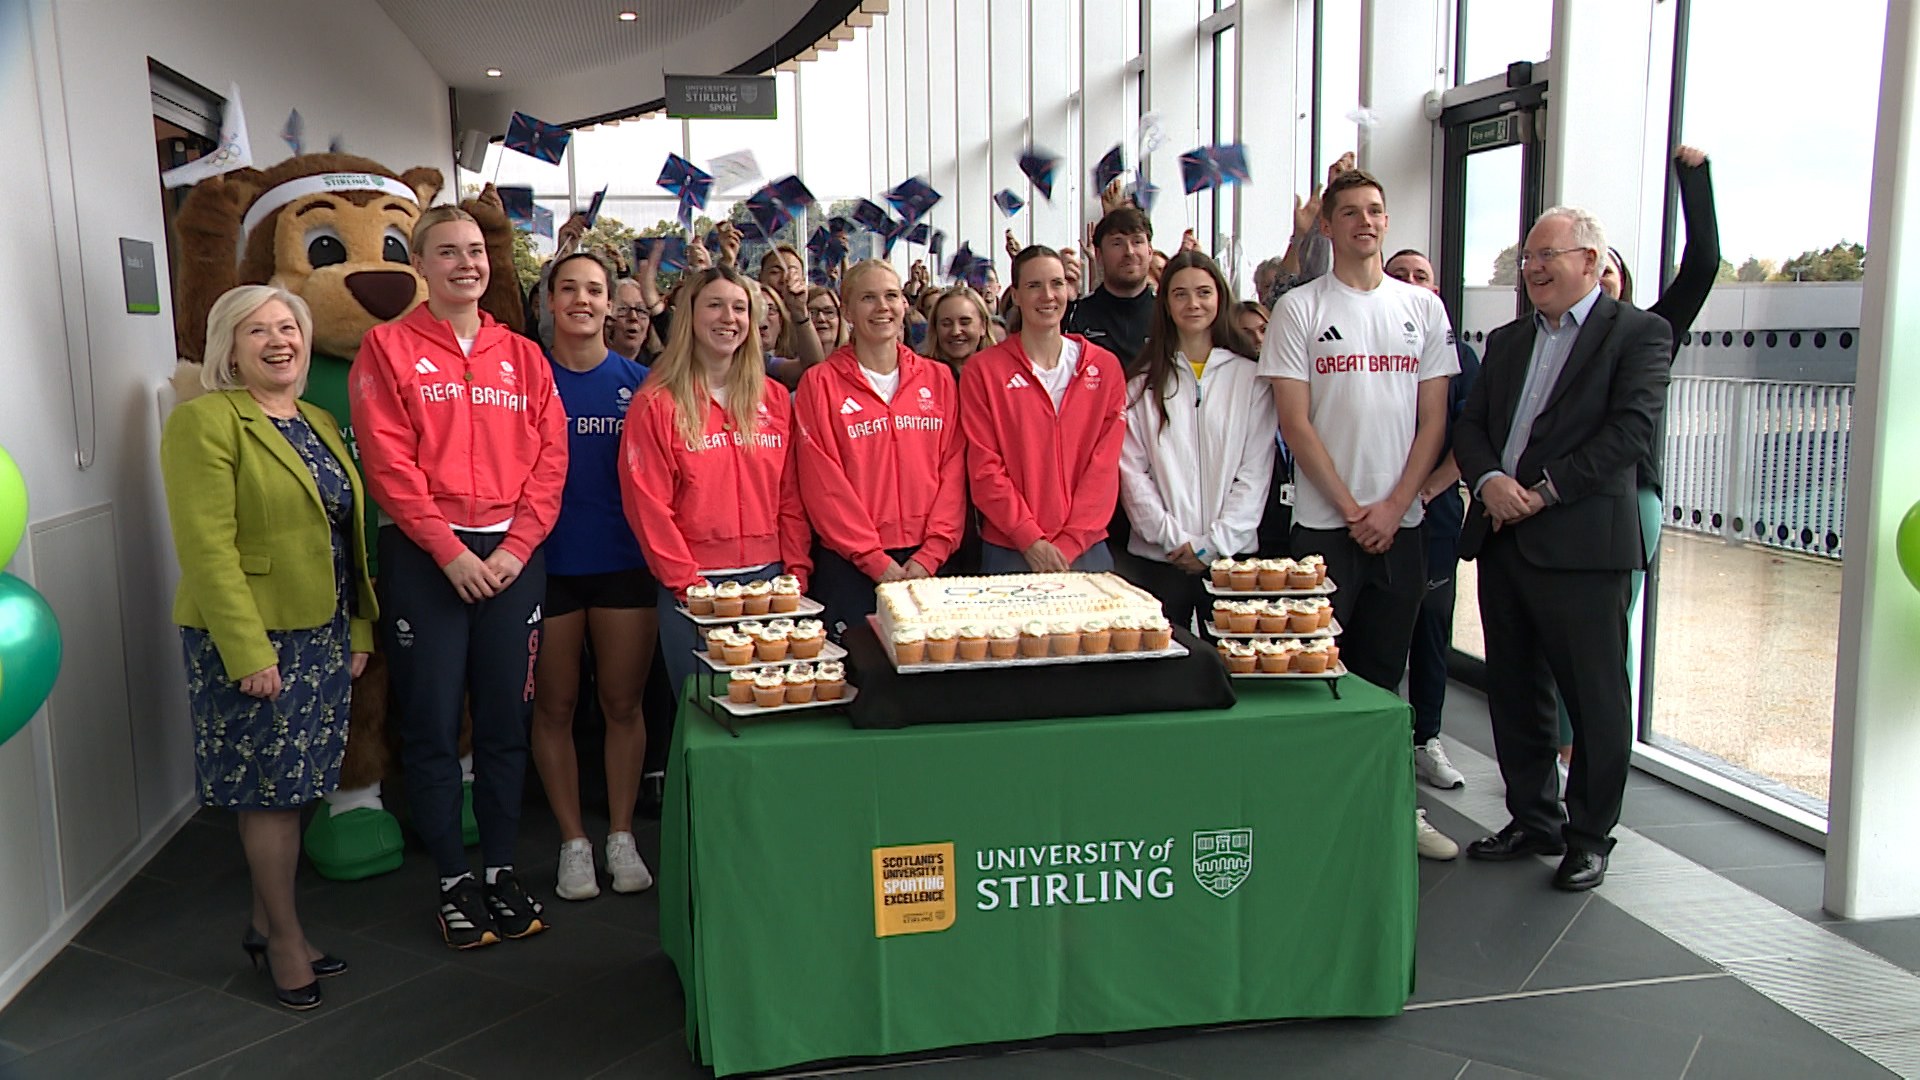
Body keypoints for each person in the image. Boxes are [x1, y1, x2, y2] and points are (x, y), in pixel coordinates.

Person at [351, 205, 568, 949]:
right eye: (447, 253)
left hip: (513, 559)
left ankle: (502, 870)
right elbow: (387, 463)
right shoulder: (387, 348)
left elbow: (550, 460)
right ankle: (452, 879)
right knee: (434, 727)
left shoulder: (525, 355)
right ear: (422, 264)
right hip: (426, 559)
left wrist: (514, 550)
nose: (465, 264)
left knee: (507, 725)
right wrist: (448, 552)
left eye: (475, 251)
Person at [161, 285, 373, 1010]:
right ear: (230, 345)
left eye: (289, 327)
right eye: (259, 330)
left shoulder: (315, 418)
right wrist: (250, 652)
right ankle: (284, 941)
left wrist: (358, 629)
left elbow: (345, 541)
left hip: (321, 632)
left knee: (300, 787)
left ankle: (264, 920)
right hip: (252, 639)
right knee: (270, 800)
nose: (279, 340)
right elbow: (207, 549)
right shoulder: (205, 423)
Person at [1455, 207, 1672, 891]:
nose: (1534, 268)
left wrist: (1542, 493)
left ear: (1590, 260)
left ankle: (1588, 837)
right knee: (1515, 689)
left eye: (1547, 255)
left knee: (1596, 696)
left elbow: (1628, 434)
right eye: (1527, 257)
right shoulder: (1511, 339)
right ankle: (1534, 818)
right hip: (1503, 534)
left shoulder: (1637, 334)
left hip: (1580, 542)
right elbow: (1472, 423)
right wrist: (1489, 481)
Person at [1257, 170, 1459, 862]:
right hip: (1323, 527)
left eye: (1376, 210)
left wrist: (1397, 505)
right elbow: (1295, 421)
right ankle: (1318, 813)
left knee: (1384, 679)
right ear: (1330, 226)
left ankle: (1393, 809)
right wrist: (1350, 509)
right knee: (1319, 678)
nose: (1365, 222)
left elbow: (1434, 420)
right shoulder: (1301, 311)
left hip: (1401, 529)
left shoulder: (1423, 311)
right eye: (1350, 213)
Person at [1552, 145, 1720, 780]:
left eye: (1616, 273)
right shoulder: (1547, 341)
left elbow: (1703, 263)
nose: (1607, 282)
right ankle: (1559, 748)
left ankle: (1587, 755)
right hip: (1555, 499)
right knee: (1552, 636)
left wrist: (1693, 180)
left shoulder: (1651, 331)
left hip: (1623, 502)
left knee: (1603, 634)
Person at [620, 265, 812, 701]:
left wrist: (795, 571)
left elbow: (791, 497)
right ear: (690, 315)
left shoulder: (774, 398)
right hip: (694, 589)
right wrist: (688, 585)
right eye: (715, 305)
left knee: (769, 709)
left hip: (770, 584)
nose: (729, 317)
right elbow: (647, 505)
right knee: (706, 715)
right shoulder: (656, 403)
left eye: (740, 308)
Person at [530, 253, 658, 903]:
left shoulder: (642, 382)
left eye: (596, 290)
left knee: (622, 705)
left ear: (613, 304)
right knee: (554, 707)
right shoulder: (526, 379)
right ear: (549, 301)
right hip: (547, 566)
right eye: (570, 288)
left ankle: (622, 834)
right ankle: (573, 841)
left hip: (624, 564)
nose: (583, 299)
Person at [795, 260, 967, 630]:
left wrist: (931, 554)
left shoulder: (938, 378)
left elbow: (953, 471)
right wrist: (875, 560)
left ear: (905, 305)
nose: (882, 307)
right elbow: (822, 483)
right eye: (868, 298)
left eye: (891, 296)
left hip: (930, 562)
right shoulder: (820, 384)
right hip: (853, 566)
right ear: (848, 311)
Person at [1117, 251, 1276, 631]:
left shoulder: (1251, 379)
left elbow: (1254, 472)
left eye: (1203, 292)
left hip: (1230, 558)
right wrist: (1173, 539)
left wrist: (1213, 544)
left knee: (1230, 671)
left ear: (1220, 298)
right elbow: (1132, 473)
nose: (1193, 304)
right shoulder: (1140, 384)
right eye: (1180, 294)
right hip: (1158, 559)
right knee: (1162, 672)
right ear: (1166, 303)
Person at [961, 245, 1127, 573]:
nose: (1047, 295)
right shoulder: (983, 371)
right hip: (1010, 548)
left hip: (1086, 547)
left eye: (1057, 283)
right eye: (1034, 286)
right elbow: (984, 467)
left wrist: (1070, 543)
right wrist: (1028, 538)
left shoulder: (1104, 367)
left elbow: (1104, 467)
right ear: (1017, 296)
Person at [1385, 249, 1482, 793]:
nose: (1412, 284)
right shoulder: (1367, 345)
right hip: (1369, 513)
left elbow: (1472, 434)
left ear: (1437, 288)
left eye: (1422, 275)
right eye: (1400, 276)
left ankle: (1428, 739)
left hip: (1434, 516)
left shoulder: (1459, 355)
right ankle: (1380, 739)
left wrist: (1427, 489)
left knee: (1430, 630)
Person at [1064, 206, 1156, 367]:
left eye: (1137, 241)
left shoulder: (1169, 314)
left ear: (1150, 252)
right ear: (1098, 255)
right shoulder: (1077, 313)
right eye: (1117, 243)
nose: (1129, 252)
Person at [926, 285, 994, 379]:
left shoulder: (1001, 375)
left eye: (965, 322)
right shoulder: (921, 377)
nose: (955, 331)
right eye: (946, 324)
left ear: (983, 326)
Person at [606, 277, 661, 365]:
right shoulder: (590, 364)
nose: (633, 317)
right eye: (623, 309)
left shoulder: (657, 368)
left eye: (641, 310)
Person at [806, 284, 847, 355]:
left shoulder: (855, 361)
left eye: (829, 312)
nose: (821, 318)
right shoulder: (786, 363)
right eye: (812, 313)